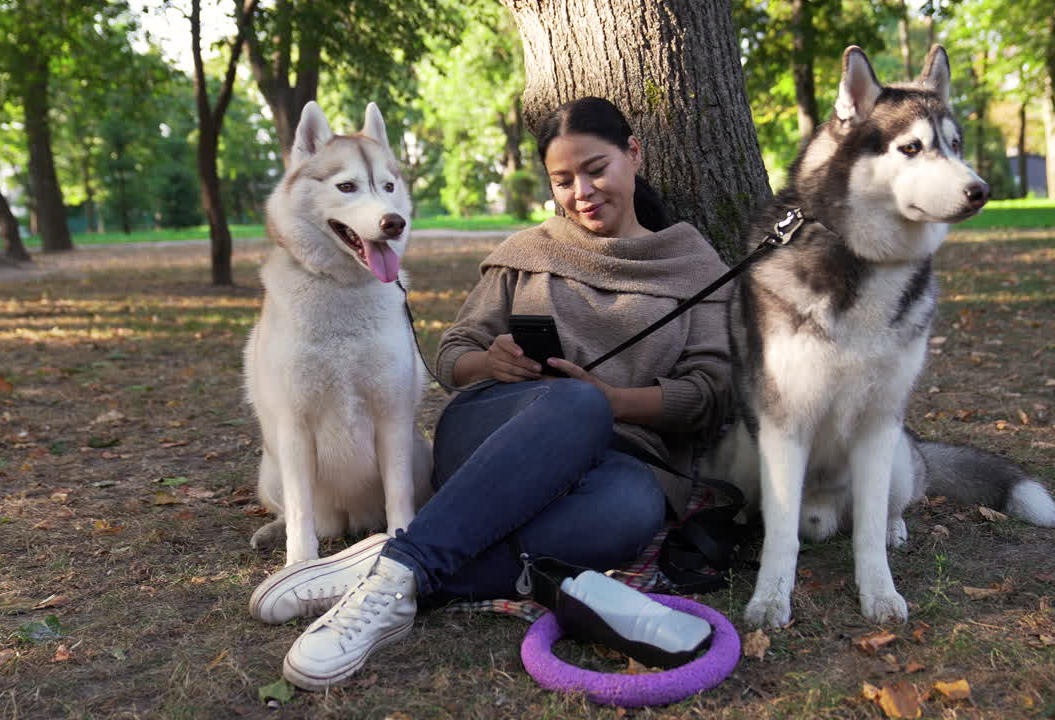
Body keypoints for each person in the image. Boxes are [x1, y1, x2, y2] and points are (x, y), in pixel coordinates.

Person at [256, 96, 734, 691]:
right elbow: (453, 355)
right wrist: (491, 361)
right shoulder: (527, 253)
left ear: (633, 155)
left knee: (629, 514)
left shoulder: (691, 263)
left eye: (596, 169)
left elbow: (710, 394)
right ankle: (412, 562)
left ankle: (390, 570)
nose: (581, 191)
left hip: (620, 464)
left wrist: (613, 401)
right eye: (563, 180)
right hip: (494, 435)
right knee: (574, 403)